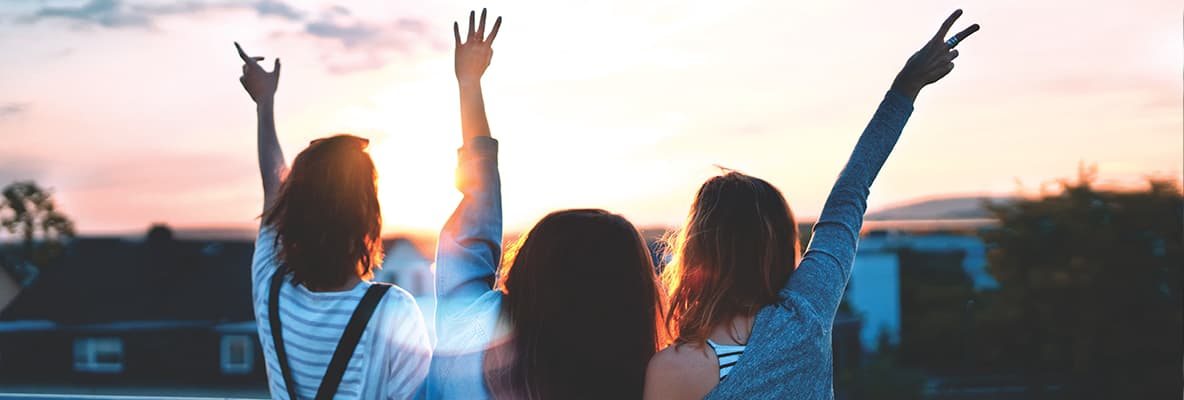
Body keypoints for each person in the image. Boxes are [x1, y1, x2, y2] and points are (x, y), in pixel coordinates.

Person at [644, 10, 981, 400]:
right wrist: (906, 88)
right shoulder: (805, 314)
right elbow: (850, 193)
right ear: (778, 244)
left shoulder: (672, 369)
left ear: (696, 250)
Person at [426, 9, 669, 399]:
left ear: (528, 268)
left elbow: (477, 209)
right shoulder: (641, 379)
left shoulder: (468, 333)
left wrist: (469, 84)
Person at [236, 42, 432, 399]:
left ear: (291, 213)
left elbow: (272, 187)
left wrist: (265, 104)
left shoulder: (270, 287)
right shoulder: (394, 313)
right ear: (368, 219)